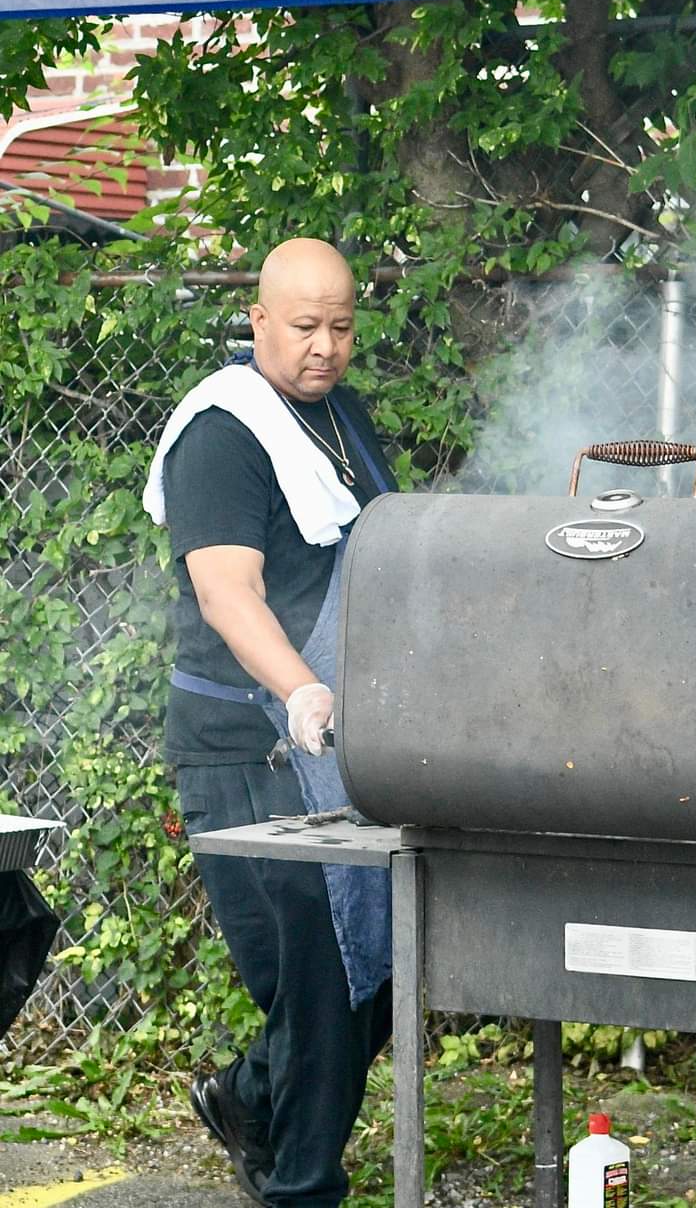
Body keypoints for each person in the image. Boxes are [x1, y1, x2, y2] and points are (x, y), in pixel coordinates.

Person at [142, 238, 397, 1208]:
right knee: (325, 983)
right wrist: (302, 691)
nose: (325, 345)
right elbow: (228, 592)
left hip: (333, 738)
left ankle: (249, 1098)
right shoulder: (224, 430)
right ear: (256, 320)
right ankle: (302, 1188)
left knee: (370, 976)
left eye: (341, 325)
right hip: (250, 739)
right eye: (304, 325)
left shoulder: (341, 414)